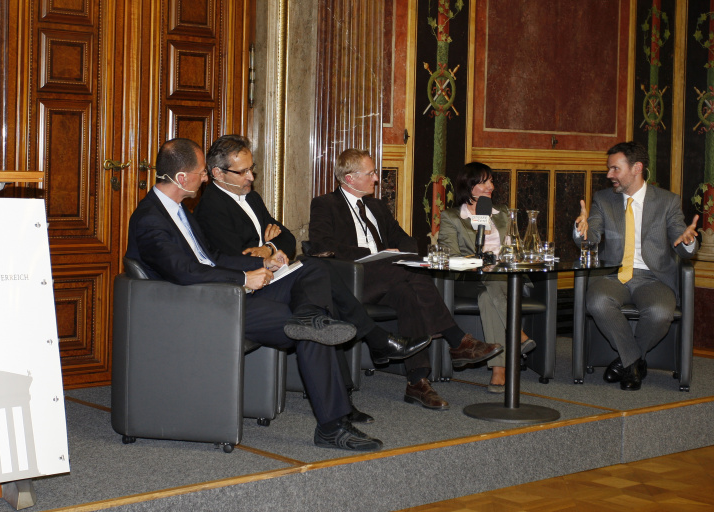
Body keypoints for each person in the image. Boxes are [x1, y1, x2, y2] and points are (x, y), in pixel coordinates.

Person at [125, 138, 381, 451]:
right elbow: (185, 272)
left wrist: (263, 261)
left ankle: (310, 317)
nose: (206, 178)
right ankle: (333, 426)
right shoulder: (150, 219)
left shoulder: (179, 211)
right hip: (205, 307)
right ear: (182, 178)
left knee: (312, 271)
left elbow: (213, 256)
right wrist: (243, 277)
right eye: (202, 173)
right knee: (311, 329)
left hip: (225, 295)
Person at [195, 135, 432, 424]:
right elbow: (229, 255)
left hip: (274, 272)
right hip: (251, 285)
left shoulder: (251, 197)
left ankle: (348, 385)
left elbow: (287, 236)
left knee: (322, 295)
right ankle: (375, 343)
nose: (251, 176)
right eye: (243, 172)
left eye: (251, 169)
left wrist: (269, 247)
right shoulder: (211, 207)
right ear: (218, 173)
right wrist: (263, 257)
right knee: (318, 275)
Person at [308, 148, 503, 410]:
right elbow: (323, 246)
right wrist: (375, 254)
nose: (377, 179)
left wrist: (405, 251)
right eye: (371, 173)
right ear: (350, 178)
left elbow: (403, 238)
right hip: (352, 279)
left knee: (408, 293)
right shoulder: (325, 204)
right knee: (404, 271)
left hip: (388, 278)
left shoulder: (376, 206)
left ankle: (417, 381)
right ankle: (456, 340)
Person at [574, 141, 699, 391]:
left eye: (615, 169)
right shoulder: (603, 199)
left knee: (660, 312)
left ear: (636, 168)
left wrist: (688, 241)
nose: (609, 175)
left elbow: (681, 239)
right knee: (598, 301)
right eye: (609, 169)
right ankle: (634, 364)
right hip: (614, 276)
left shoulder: (667, 202)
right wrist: (582, 230)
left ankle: (625, 362)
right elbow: (592, 233)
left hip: (653, 278)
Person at [438, 162, 536, 393]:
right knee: (487, 287)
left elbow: (516, 247)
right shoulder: (452, 217)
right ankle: (517, 335)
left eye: (491, 181)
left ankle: (498, 370)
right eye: (484, 182)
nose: (491, 186)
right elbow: (450, 255)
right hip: (470, 280)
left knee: (488, 294)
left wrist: (501, 261)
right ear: (469, 186)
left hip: (506, 278)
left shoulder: (502, 213)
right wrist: (480, 261)